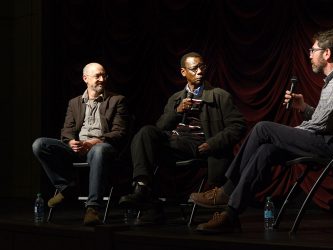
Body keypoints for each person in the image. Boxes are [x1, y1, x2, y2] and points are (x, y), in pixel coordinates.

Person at [189, 28, 333, 233]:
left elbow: (322, 125)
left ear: (326, 53)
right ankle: (231, 214)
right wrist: (304, 108)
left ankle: (226, 190)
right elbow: (325, 119)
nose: (309, 55)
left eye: (313, 50)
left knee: (263, 128)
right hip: (322, 139)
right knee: (266, 150)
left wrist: (293, 131)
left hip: (332, 146)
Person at [119, 52, 247, 224]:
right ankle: (143, 189)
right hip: (174, 144)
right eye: (194, 69)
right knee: (145, 133)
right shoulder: (176, 98)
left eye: (202, 67)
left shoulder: (219, 96)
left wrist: (212, 144)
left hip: (200, 145)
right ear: (183, 72)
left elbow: (238, 126)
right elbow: (161, 127)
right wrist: (176, 112)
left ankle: (148, 201)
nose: (200, 72)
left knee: (150, 148)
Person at [32, 62, 130, 226]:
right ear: (85, 78)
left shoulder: (117, 100)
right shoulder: (74, 103)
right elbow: (67, 130)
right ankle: (66, 187)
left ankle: (92, 208)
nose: (101, 79)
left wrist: (94, 142)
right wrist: (71, 142)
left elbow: (119, 132)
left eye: (103, 75)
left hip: (101, 146)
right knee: (40, 145)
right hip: (78, 147)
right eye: (97, 76)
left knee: (98, 150)